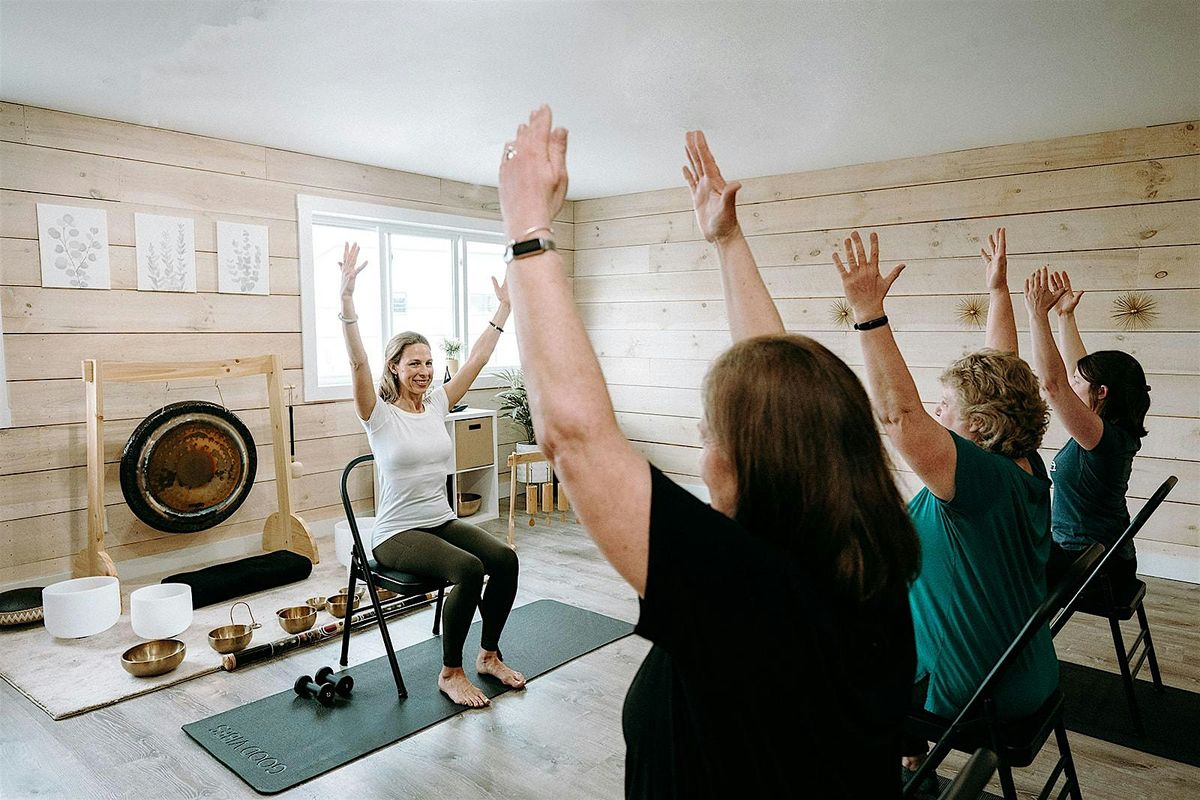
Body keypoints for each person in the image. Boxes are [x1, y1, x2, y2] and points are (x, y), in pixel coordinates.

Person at [499, 110, 920, 799]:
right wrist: (726, 241)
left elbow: (575, 439)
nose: (701, 450)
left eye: (706, 434)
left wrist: (526, 230)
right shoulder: (859, 551)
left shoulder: (746, 593)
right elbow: (782, 388)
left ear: (746, 462)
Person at [832, 228, 1059, 787]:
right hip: (1023, 671)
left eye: (947, 406)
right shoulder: (1023, 462)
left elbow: (900, 418)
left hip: (979, 689)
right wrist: (998, 291)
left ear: (977, 425)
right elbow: (1004, 368)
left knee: (825, 666)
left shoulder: (977, 484)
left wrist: (867, 313)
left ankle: (886, 771)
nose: (937, 411)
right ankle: (912, 761)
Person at [337, 242, 524, 708]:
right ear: (394, 368)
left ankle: (488, 656)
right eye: (413, 363)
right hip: (396, 533)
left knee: (504, 559)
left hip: (438, 520)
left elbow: (478, 359)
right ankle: (451, 672)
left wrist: (502, 310)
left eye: (427, 362)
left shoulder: (438, 402)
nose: (423, 370)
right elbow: (358, 363)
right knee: (468, 569)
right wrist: (347, 304)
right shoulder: (377, 414)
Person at [1023, 267, 1151, 595]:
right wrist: (1064, 317)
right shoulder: (1110, 429)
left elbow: (1053, 385)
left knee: (996, 561)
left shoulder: (1103, 439)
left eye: (1078, 383)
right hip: (1100, 559)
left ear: (1102, 392)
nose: (1072, 382)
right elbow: (1074, 372)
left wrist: (1038, 317)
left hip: (1092, 568)